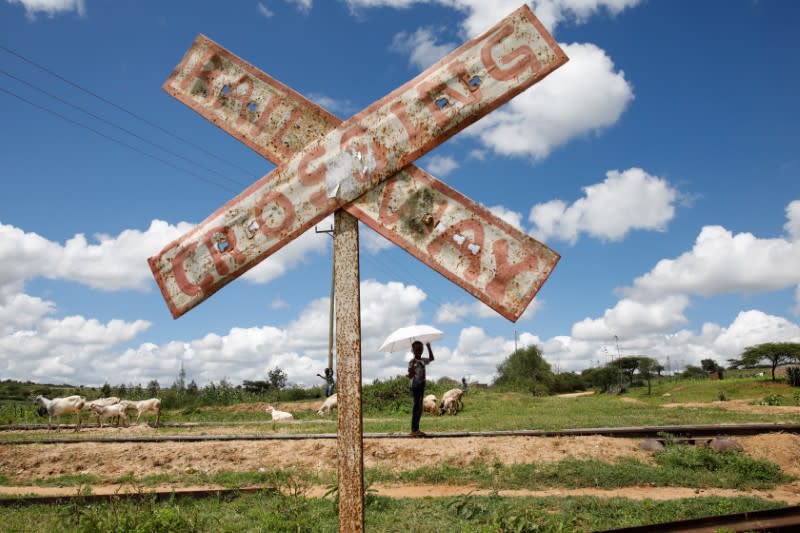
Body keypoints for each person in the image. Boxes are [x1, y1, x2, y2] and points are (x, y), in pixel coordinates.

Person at [407, 340, 434, 437]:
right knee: (416, 408)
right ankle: (414, 430)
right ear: (413, 351)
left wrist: (428, 347)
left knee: (419, 408)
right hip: (415, 385)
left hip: (421, 385)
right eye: (417, 349)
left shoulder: (422, 361)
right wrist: (412, 369)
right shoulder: (412, 362)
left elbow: (431, 358)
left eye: (420, 349)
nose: (419, 351)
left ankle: (416, 429)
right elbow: (410, 376)